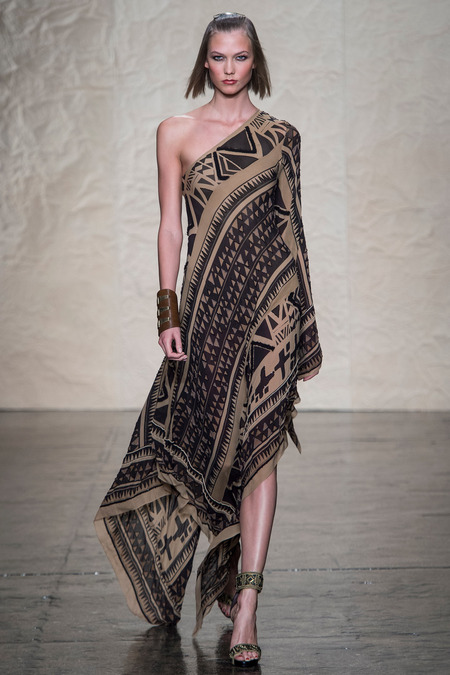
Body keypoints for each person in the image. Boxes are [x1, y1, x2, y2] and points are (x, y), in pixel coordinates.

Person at [95, 12, 322, 667]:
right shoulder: (175, 132)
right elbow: (171, 226)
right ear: (205, 62)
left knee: (261, 449)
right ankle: (225, 563)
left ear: (255, 62)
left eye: (240, 57)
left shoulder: (281, 137)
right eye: (219, 57)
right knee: (207, 442)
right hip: (205, 311)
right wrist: (166, 310)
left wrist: (306, 326)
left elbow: (293, 230)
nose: (229, 68)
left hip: (271, 311)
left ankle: (247, 604)